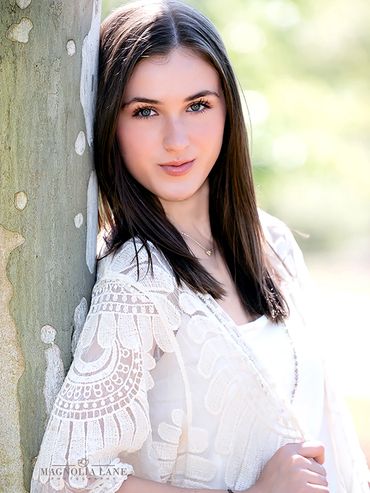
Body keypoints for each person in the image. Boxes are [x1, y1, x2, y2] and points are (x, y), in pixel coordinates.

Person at [31, 1, 369, 492]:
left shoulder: (271, 242)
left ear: (227, 107)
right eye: (145, 111)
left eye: (197, 105)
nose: (177, 139)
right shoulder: (138, 279)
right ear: (110, 124)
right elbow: (67, 479)